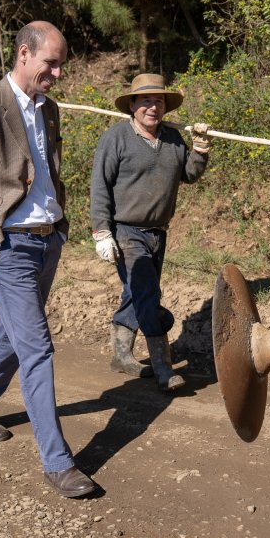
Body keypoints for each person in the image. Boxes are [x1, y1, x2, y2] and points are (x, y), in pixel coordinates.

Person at [0, 21, 95, 498]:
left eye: (60, 65)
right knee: (37, 348)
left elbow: (46, 172)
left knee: (13, 334)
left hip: (46, 240)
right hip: (7, 247)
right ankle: (57, 462)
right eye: (50, 63)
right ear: (24, 54)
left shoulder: (48, 110)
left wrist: (60, 223)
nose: (56, 73)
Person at [90, 73, 212, 392]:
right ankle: (163, 367)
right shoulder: (115, 138)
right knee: (146, 294)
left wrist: (200, 148)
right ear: (132, 105)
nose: (152, 107)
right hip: (126, 230)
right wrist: (102, 232)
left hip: (158, 232)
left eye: (158, 100)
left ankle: (120, 355)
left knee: (136, 292)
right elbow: (100, 187)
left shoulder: (172, 138)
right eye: (145, 100)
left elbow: (188, 174)